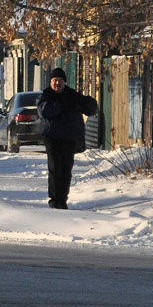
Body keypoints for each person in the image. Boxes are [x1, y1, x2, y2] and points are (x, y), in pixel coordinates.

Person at [36, 67, 97, 209]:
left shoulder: (72, 95)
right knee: (55, 169)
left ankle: (62, 199)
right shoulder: (46, 95)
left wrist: (90, 103)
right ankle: (54, 200)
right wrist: (61, 105)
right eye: (54, 80)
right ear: (50, 82)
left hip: (69, 138)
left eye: (60, 80)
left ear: (64, 82)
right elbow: (44, 111)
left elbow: (89, 108)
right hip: (52, 138)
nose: (57, 83)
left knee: (66, 169)